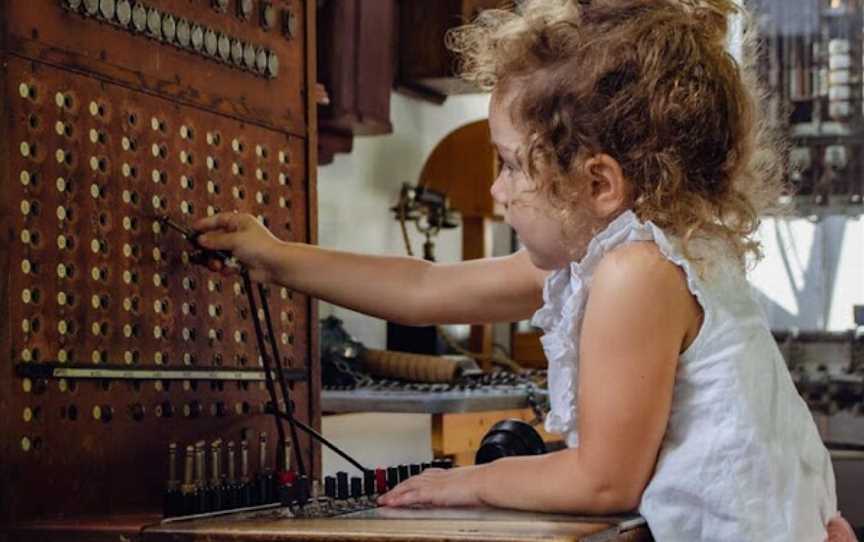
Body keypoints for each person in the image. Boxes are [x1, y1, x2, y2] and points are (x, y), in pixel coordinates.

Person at [194, 1, 857, 540]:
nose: (497, 192)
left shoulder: (637, 272)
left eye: (510, 164)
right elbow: (425, 290)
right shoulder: (642, 252)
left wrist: (466, 482)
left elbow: (603, 481)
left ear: (599, 183)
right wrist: (274, 254)